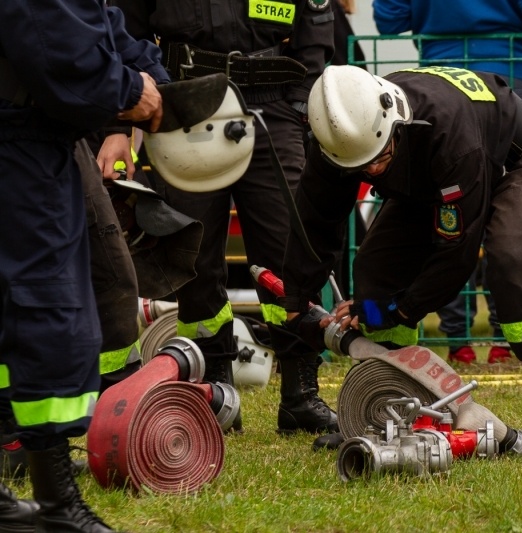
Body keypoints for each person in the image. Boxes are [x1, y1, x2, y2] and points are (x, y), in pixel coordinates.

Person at [281, 64, 522, 457]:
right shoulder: (339, 137)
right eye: (359, 167)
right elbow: (314, 222)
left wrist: (395, 310)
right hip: (429, 177)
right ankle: (387, 411)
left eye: (377, 159)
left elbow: (456, 254)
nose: (371, 171)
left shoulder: (448, 135)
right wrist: (295, 299)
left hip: (516, 158)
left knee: (514, 258)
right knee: (376, 268)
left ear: (395, 124)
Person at [111, 0, 339, 435]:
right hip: (184, 106)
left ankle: (300, 396)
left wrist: (296, 105)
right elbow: (124, 31)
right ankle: (215, 393)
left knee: (289, 255)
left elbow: (316, 27)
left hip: (273, 107)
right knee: (192, 257)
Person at [0, 0, 163, 530]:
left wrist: (156, 79)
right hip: (20, 147)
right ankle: (55, 504)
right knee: (45, 309)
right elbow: (58, 47)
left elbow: (97, 25)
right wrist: (130, 92)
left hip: (28, 139)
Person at [373, 0, 522, 364]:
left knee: (445, 210)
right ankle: (505, 338)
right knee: (514, 217)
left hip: (439, 76)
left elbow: (389, 21)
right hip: (510, 74)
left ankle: (457, 338)